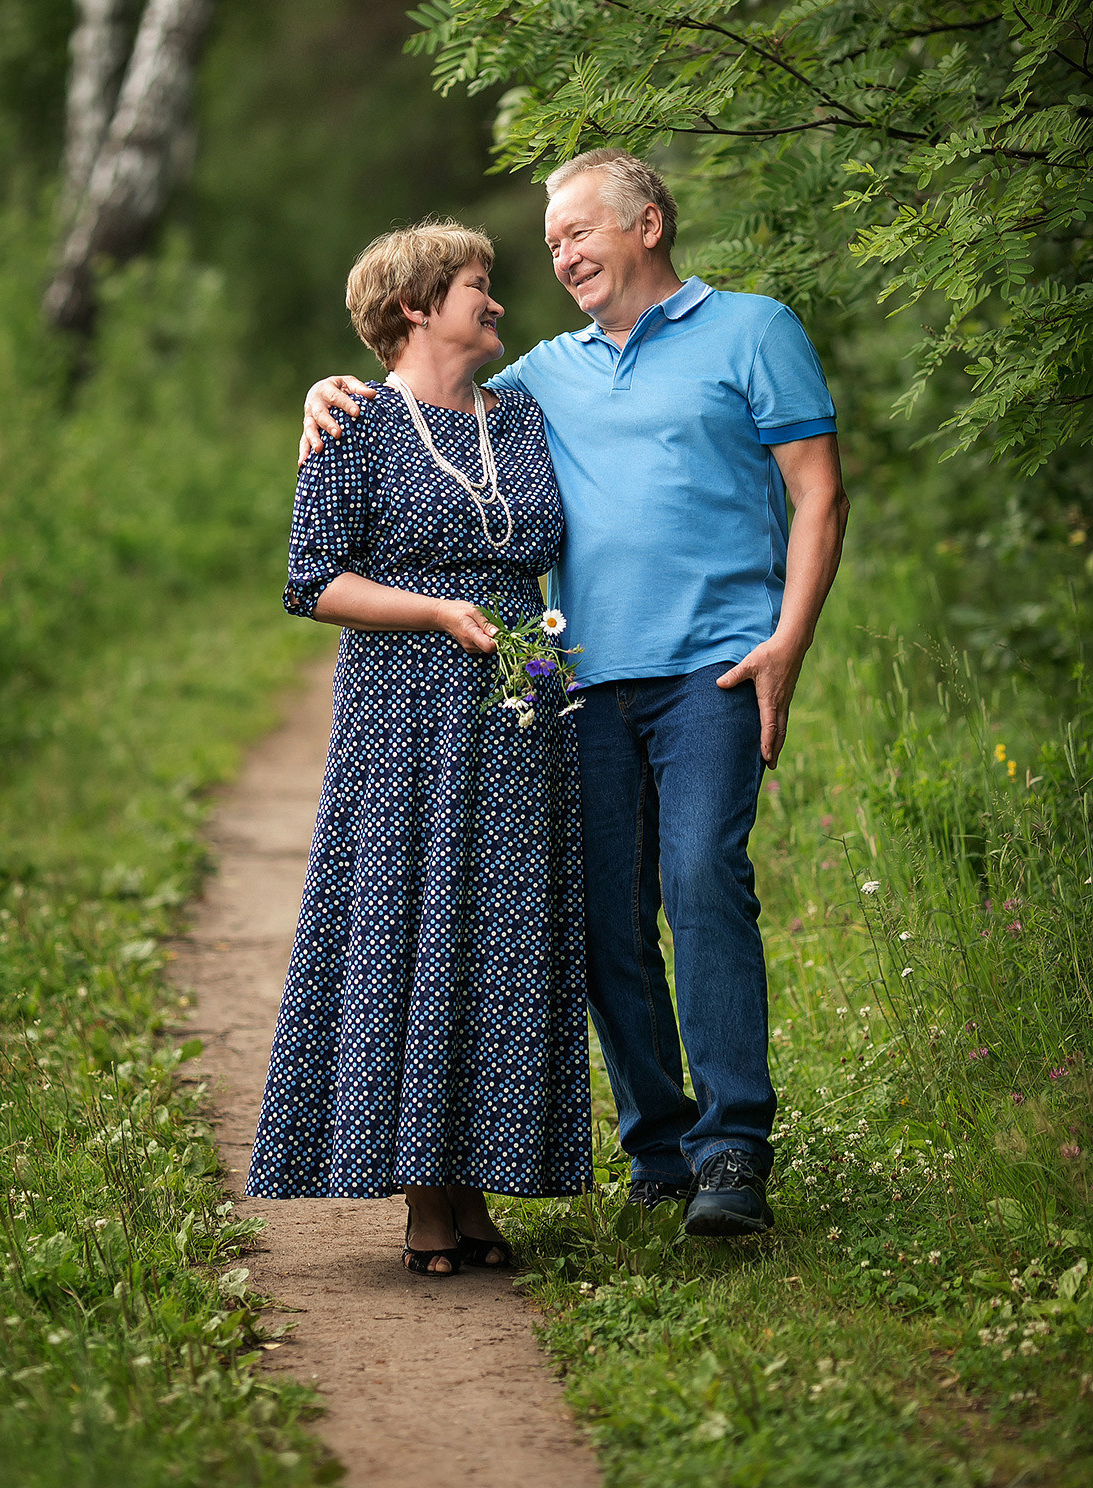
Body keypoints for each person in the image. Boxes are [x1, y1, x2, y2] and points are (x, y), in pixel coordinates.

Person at [300, 149, 849, 1237]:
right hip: (579, 687)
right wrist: (327, 392)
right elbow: (425, 401)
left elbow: (818, 491)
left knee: (700, 878)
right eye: (550, 245)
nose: (559, 258)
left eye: (577, 234)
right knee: (603, 922)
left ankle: (732, 1145)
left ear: (647, 223)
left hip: (715, 668)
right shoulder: (541, 376)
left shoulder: (754, 330)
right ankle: (659, 1149)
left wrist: (789, 642)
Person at [247, 220, 592, 1275]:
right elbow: (312, 580)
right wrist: (437, 613)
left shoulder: (526, 415)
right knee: (415, 927)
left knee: (501, 936)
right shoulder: (353, 426)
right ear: (417, 305)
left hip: (521, 708)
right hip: (403, 717)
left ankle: (479, 1189)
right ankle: (424, 1204)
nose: (496, 300)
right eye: (478, 286)